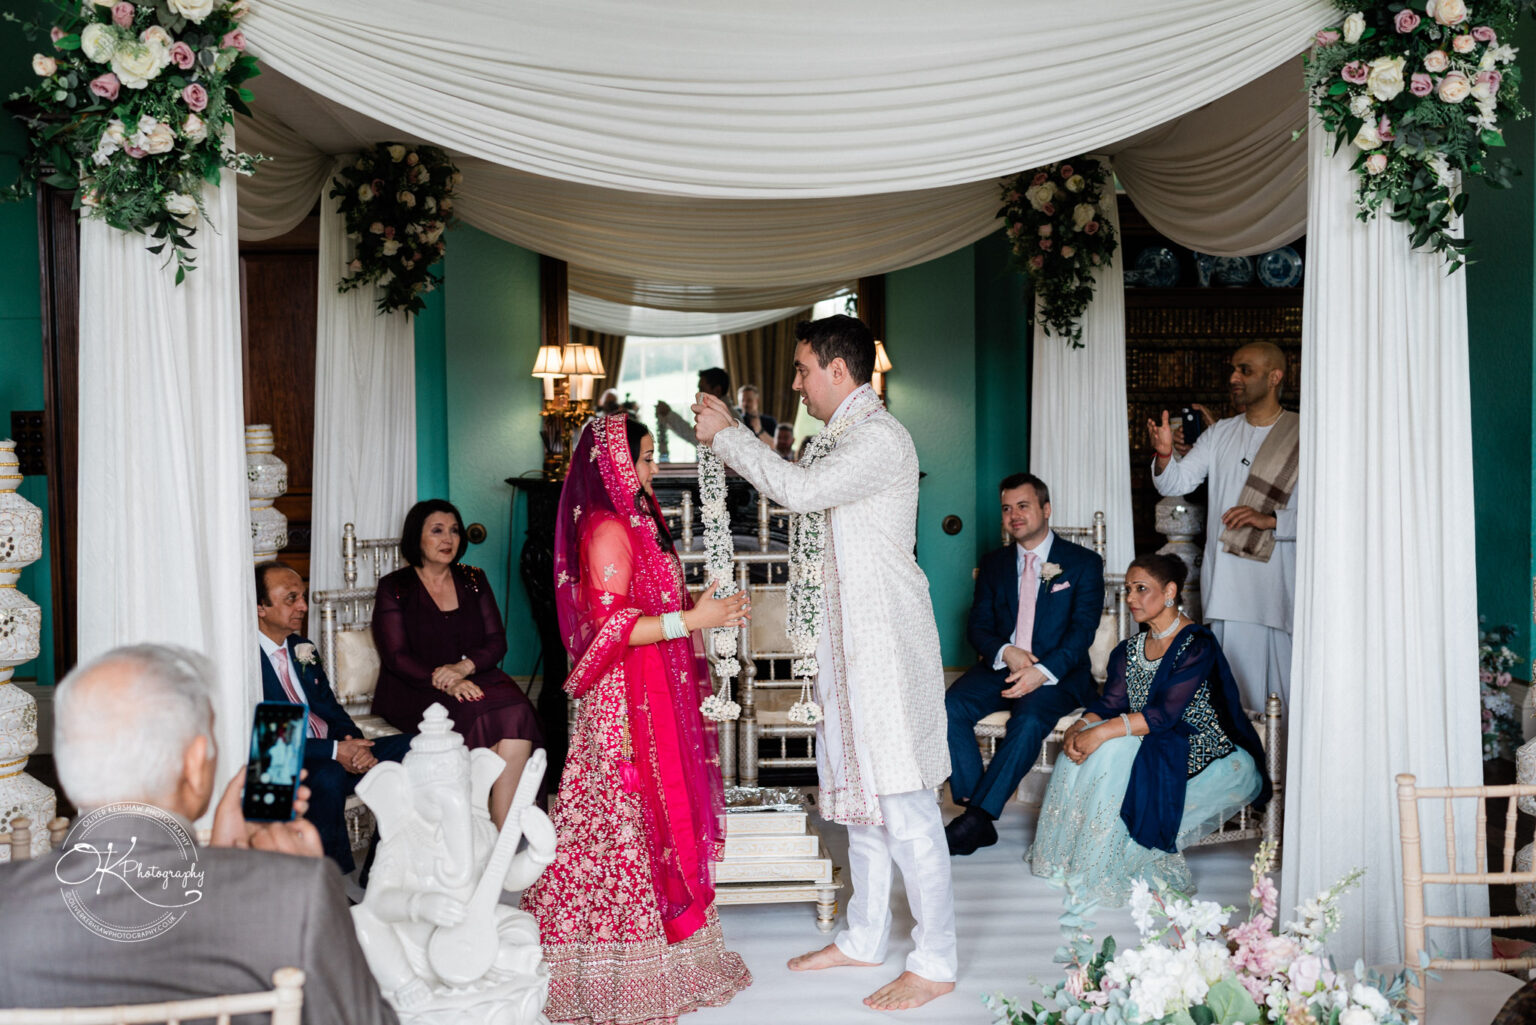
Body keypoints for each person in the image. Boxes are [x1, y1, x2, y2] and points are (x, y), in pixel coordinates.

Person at [694, 314, 956, 1012]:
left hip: (886, 645)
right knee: (859, 805)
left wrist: (729, 435)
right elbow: (795, 482)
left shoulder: (877, 438)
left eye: (803, 369)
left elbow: (800, 493)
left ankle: (936, 959)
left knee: (904, 801)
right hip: (843, 647)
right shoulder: (833, 440)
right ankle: (865, 935)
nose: (796, 383)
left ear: (840, 371)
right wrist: (735, 440)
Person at [0, 644, 397, 1025]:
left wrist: (223, 856)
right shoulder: (296, 892)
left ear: (69, 775)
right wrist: (296, 881)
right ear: (195, 764)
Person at [522, 413, 751, 1025]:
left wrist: (709, 611)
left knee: (660, 810)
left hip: (650, 691)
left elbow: (655, 606)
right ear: (616, 466)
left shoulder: (636, 525)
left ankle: (664, 944)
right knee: (625, 815)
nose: (652, 470)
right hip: (623, 703)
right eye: (645, 459)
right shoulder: (605, 530)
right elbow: (611, 629)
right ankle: (611, 959)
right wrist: (695, 621)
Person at [1028, 555, 1270, 907]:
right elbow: (1110, 703)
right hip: (1153, 732)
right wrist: (1080, 727)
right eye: (1128, 589)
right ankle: (1071, 856)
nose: (1130, 598)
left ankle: (1106, 858)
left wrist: (1102, 732)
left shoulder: (1195, 644)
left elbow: (1166, 713)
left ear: (1170, 591)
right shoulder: (1129, 650)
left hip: (1197, 742)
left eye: (1142, 589)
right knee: (1086, 745)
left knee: (1110, 745)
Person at [943, 472, 1105, 855]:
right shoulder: (994, 563)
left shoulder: (1083, 563)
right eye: (1006, 508)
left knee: (1030, 719)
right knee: (950, 706)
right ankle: (974, 808)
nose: (1014, 515)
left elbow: (1083, 631)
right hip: (1001, 667)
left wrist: (1040, 671)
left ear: (1046, 510)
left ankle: (976, 820)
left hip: (1058, 675)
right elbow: (977, 625)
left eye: (1023, 506)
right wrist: (1006, 651)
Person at [371, 500, 544, 828]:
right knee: (478, 710)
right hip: (417, 688)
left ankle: (501, 828)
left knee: (518, 710)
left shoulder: (473, 579)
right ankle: (469, 826)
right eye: (437, 531)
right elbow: (396, 656)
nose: (448, 539)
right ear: (416, 537)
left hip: (477, 676)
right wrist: (447, 680)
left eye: (453, 531)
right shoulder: (395, 587)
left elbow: (496, 642)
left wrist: (463, 669)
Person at [1148, 342, 1299, 712]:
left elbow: (1331, 511)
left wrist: (1272, 519)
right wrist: (1167, 454)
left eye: (1245, 370)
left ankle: (1283, 769)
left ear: (1275, 377)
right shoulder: (1220, 434)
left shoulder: (1306, 433)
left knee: (1285, 700)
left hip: (1278, 583)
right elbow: (1176, 484)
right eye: (1233, 369)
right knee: (1232, 700)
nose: (1233, 378)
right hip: (1229, 584)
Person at [257, 560, 412, 873]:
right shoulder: (244, 658)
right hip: (283, 760)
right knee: (329, 774)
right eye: (291, 598)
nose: (302, 605)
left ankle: (381, 870)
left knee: (413, 749)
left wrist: (353, 743)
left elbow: (330, 707)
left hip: (334, 748)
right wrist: (334, 752)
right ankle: (332, 884)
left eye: (302, 596)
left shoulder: (302, 648)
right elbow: (266, 738)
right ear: (260, 606)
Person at [655, 366, 736, 448]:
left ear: (717, 390)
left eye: (701, 389)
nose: (698, 394)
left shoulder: (728, 416)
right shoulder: (724, 414)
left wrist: (669, 414)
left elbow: (696, 439)